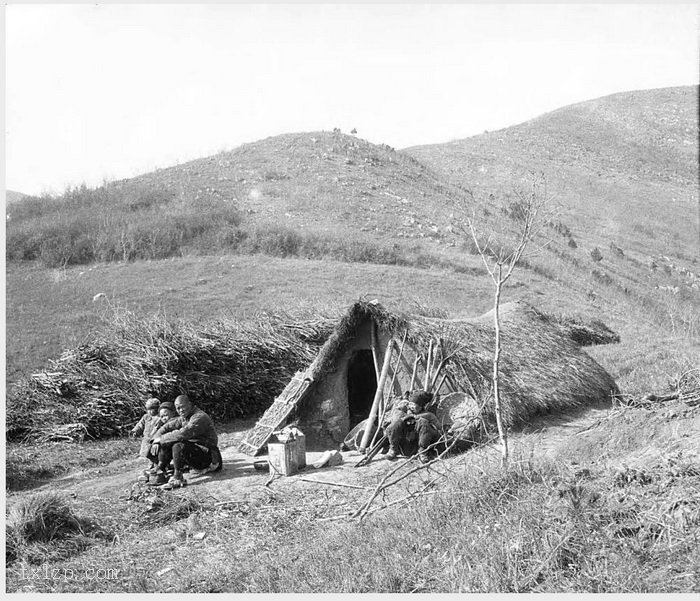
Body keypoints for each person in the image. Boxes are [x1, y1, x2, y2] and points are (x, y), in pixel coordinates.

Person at [148, 394, 222, 489]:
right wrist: (156, 441)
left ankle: (178, 477)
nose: (181, 410)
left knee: (178, 445)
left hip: (209, 456)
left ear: (190, 404)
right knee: (166, 442)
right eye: (178, 408)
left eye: (183, 407)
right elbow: (166, 427)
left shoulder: (199, 417)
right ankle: (160, 471)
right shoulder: (184, 417)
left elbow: (184, 433)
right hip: (196, 453)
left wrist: (161, 439)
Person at [384, 390, 441, 463]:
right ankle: (393, 449)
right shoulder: (402, 412)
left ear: (421, 407)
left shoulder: (429, 415)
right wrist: (405, 416)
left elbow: (439, 428)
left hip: (419, 444)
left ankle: (422, 453)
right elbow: (392, 426)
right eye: (410, 404)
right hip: (405, 445)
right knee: (397, 423)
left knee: (423, 422)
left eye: (414, 405)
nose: (411, 407)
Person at [139, 401, 178, 482]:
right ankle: (159, 467)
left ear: (173, 413)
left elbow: (176, 434)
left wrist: (160, 440)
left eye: (166, 415)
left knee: (165, 446)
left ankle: (163, 468)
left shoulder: (177, 421)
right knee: (151, 447)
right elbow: (159, 432)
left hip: (177, 447)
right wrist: (155, 441)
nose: (164, 418)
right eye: (162, 416)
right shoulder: (162, 423)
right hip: (168, 446)